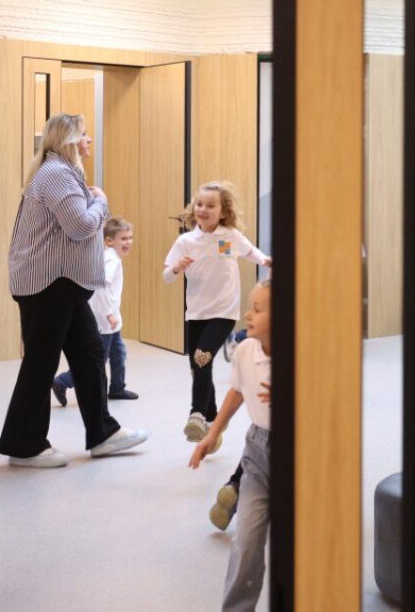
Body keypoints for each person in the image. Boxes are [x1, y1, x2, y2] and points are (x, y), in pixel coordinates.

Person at [0, 113, 149, 467]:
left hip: (64, 284)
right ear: (69, 140)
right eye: (84, 135)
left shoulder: (61, 173)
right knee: (41, 362)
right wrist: (101, 201)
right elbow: (81, 226)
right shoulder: (56, 174)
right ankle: (24, 446)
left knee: (90, 354)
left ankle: (103, 433)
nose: (89, 141)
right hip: (49, 284)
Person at [163, 181, 271, 445]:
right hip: (196, 313)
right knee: (198, 366)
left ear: (223, 212)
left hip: (224, 311)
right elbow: (167, 275)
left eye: (210, 205)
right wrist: (176, 268)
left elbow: (250, 252)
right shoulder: (186, 241)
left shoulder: (230, 236)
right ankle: (211, 420)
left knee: (201, 357)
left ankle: (197, 414)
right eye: (199, 204)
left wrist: (266, 261)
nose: (203, 209)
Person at [190, 281, 273, 612]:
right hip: (258, 453)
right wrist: (212, 433)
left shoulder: (303, 354)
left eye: (257, 309)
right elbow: (237, 391)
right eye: (250, 306)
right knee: (246, 542)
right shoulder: (245, 351)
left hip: (302, 455)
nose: (247, 315)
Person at [53, 216, 138, 406]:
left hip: (111, 320)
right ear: (109, 241)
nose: (128, 242)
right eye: (123, 239)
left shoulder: (110, 257)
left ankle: (117, 388)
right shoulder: (111, 260)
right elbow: (101, 286)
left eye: (130, 238)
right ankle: (62, 382)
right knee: (97, 360)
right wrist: (109, 314)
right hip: (105, 319)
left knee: (118, 353)